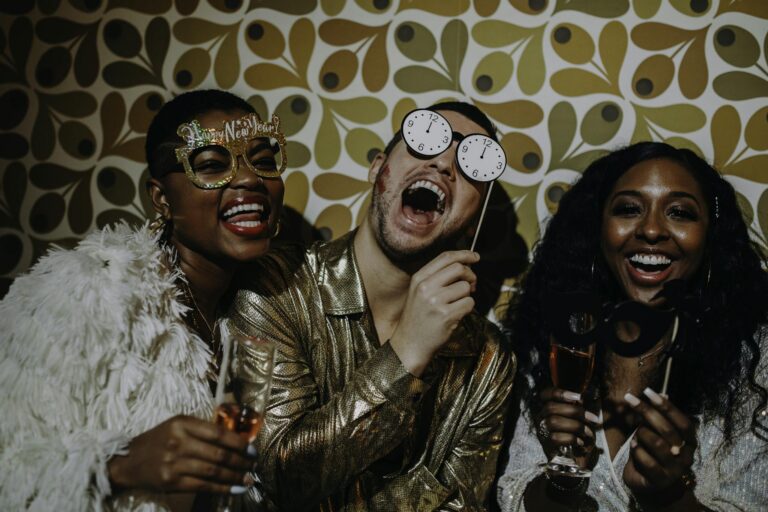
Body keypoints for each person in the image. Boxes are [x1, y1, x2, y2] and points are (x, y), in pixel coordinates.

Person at [0, 89, 286, 511]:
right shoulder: (86, 293)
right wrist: (120, 467)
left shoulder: (268, 307)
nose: (248, 180)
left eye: (263, 160)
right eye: (210, 165)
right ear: (161, 198)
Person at [228, 101, 516, 511]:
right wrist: (406, 354)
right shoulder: (278, 288)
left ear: (474, 220)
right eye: (425, 140)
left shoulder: (488, 361)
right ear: (378, 167)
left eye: (472, 166)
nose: (443, 165)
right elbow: (280, 478)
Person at [497, 142, 768, 511]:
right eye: (628, 209)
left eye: (680, 212)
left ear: (710, 237)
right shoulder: (559, 342)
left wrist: (668, 496)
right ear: (598, 229)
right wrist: (564, 477)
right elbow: (516, 501)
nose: (652, 230)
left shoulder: (754, 361)